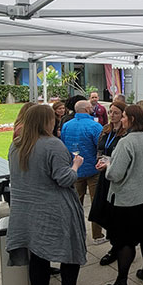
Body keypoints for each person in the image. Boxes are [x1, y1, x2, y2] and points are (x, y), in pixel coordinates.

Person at [7, 104, 86, 285]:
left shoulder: (16, 146)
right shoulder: (53, 145)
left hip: (27, 211)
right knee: (70, 250)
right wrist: (76, 165)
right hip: (55, 209)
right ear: (46, 121)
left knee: (38, 255)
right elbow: (65, 179)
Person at [96, 104, 143, 285]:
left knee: (125, 242)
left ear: (131, 119)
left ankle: (121, 283)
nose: (121, 119)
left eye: (123, 116)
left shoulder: (126, 142)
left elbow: (115, 174)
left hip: (127, 200)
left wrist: (108, 166)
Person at [61, 100, 104, 244]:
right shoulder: (95, 126)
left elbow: (63, 144)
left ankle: (76, 233)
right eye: (90, 107)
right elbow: (100, 146)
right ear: (86, 109)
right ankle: (97, 236)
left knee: (75, 203)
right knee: (96, 202)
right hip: (92, 169)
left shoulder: (66, 126)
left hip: (75, 169)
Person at [90, 101, 127, 267]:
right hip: (104, 176)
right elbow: (100, 150)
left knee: (116, 213)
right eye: (111, 112)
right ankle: (114, 243)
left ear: (123, 115)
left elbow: (125, 158)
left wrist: (109, 163)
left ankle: (118, 245)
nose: (112, 115)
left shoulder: (126, 134)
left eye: (116, 113)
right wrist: (99, 161)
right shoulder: (105, 130)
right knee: (103, 209)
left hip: (118, 178)